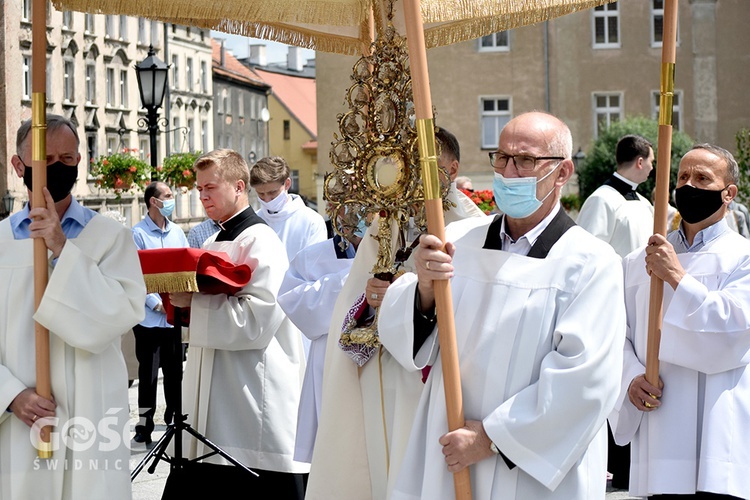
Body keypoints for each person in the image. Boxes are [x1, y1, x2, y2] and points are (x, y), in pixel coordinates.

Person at [375, 112, 625, 499]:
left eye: (525, 160)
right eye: (502, 157)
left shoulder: (590, 262)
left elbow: (587, 379)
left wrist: (491, 437)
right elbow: (409, 342)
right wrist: (423, 288)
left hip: (529, 463)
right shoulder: (456, 242)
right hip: (449, 440)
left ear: (562, 173)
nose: (509, 171)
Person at [306, 127, 485, 500]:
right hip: (381, 376)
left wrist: (410, 296)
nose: (416, 174)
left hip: (432, 381)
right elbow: (351, 307)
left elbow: (477, 308)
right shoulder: (383, 224)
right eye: (412, 162)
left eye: (427, 163)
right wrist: (369, 303)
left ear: (451, 169)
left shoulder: (475, 229)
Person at [0, 114, 146, 500]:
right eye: (45, 160)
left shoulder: (111, 237)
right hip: (21, 418)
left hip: (90, 414)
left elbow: (118, 315)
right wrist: (11, 395)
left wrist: (62, 249)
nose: (58, 168)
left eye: (67, 159)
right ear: (19, 166)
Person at [609, 144, 750, 500]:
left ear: (728, 193)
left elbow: (736, 330)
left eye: (703, 178)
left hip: (716, 433)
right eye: (683, 177)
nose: (689, 186)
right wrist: (629, 379)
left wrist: (677, 278)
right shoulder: (636, 261)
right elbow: (615, 333)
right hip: (658, 428)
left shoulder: (742, 258)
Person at [169, 149, 308, 497]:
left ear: (239, 186)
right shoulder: (215, 240)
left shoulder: (262, 241)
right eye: (199, 189)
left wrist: (195, 304)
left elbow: (256, 321)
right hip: (215, 397)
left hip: (249, 399)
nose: (202, 196)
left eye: (210, 187)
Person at [277, 209, 364, 463]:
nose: (354, 215)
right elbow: (297, 307)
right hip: (331, 360)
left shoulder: (398, 251)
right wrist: (352, 280)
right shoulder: (313, 258)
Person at [131, 181, 189, 444]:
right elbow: (134, 274)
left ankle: (174, 418)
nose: (171, 198)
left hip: (174, 317)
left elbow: (184, 268)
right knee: (149, 375)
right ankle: (144, 425)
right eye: (167, 195)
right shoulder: (138, 234)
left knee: (175, 372)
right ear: (153, 202)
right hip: (150, 319)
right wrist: (156, 303)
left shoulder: (177, 232)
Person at [576, 134, 655, 258]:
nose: (652, 167)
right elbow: (586, 254)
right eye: (651, 161)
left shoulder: (645, 203)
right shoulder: (601, 200)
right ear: (640, 162)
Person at [249, 156, 328, 261]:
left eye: (272, 192)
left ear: (287, 184)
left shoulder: (311, 221)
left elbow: (314, 266)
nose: (267, 199)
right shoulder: (254, 221)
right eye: (261, 194)